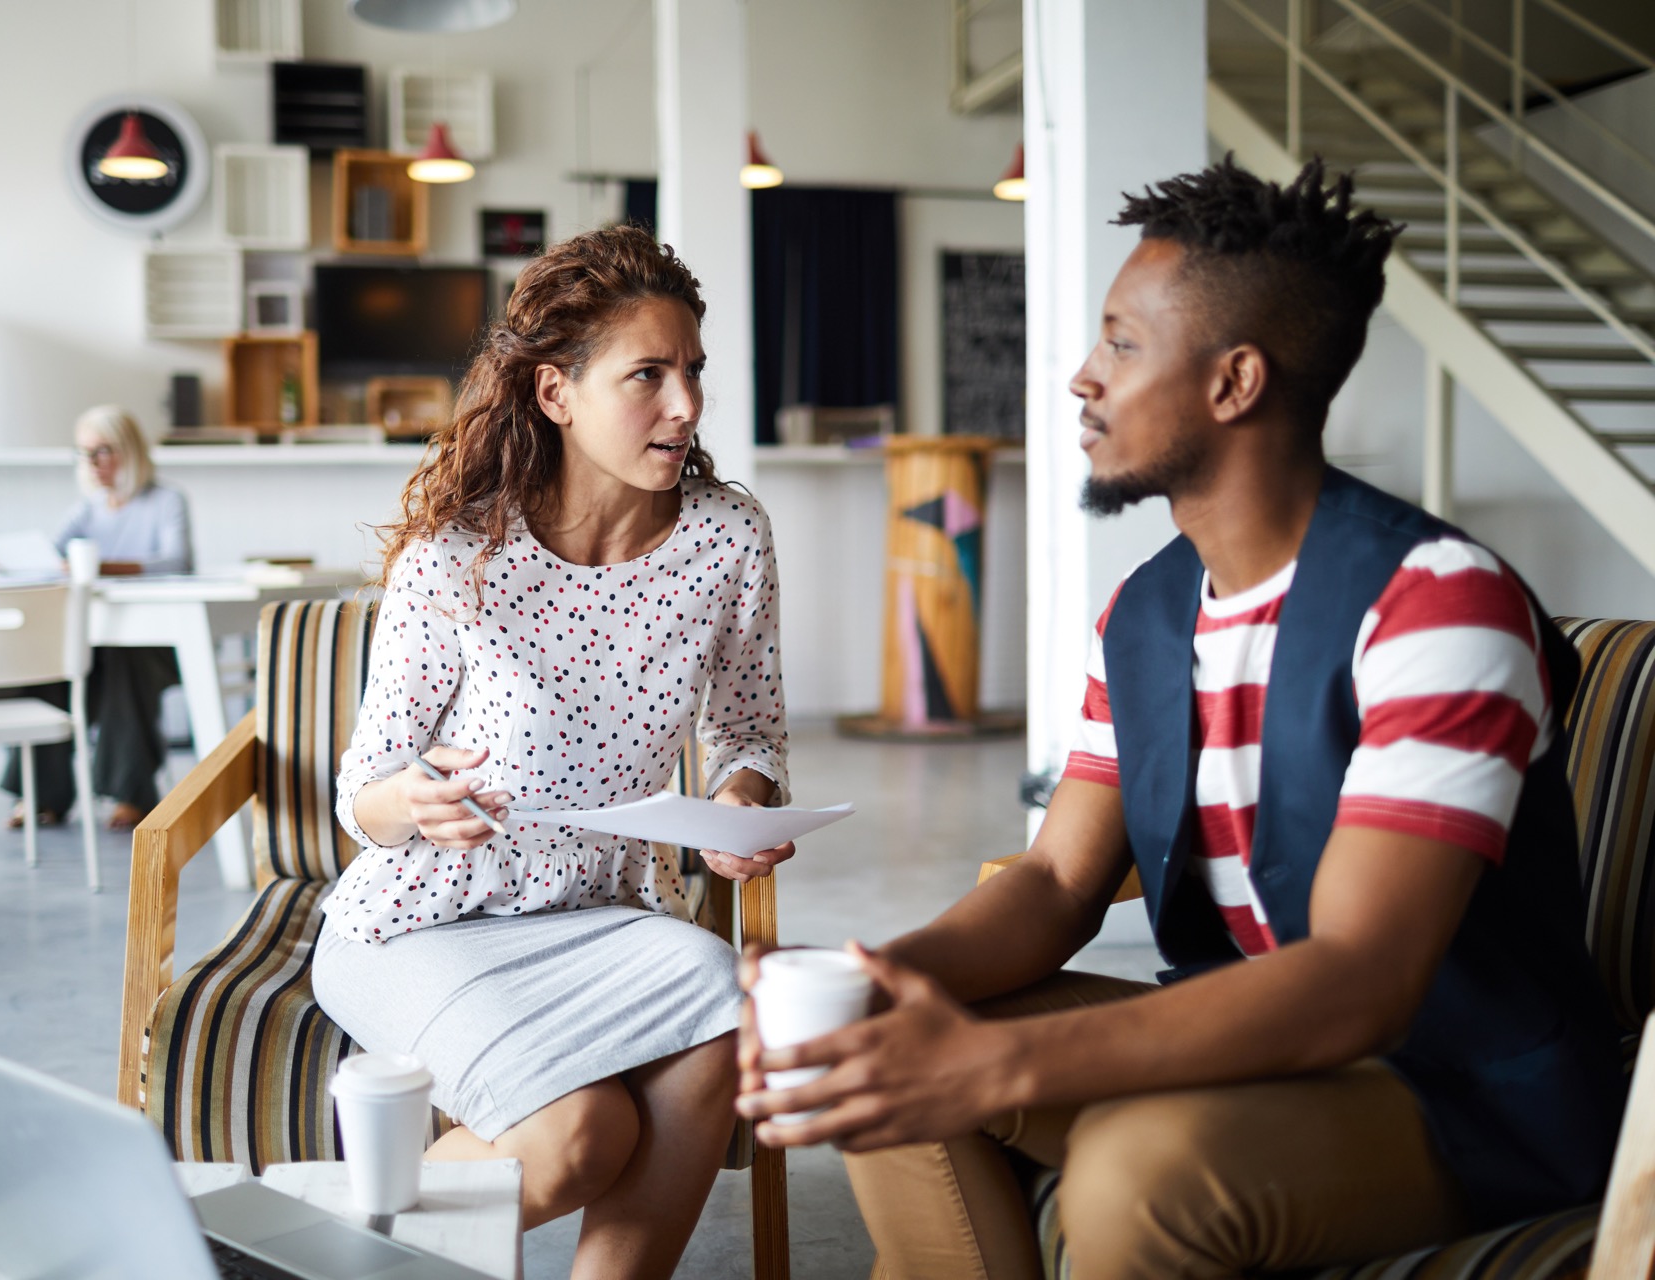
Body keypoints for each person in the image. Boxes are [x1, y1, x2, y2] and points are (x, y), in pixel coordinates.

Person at [735, 158, 1627, 1280]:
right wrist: (881, 977)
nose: (1079, 378)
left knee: (1130, 1170)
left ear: (1234, 381)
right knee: (866, 1055)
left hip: (1457, 1091)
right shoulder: (1147, 612)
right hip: (1246, 1040)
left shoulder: (1437, 602)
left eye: (1119, 342)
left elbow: (1362, 973)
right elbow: (1060, 881)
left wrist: (995, 1066)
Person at [312, 224, 792, 1278]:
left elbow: (749, 729)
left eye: (694, 372)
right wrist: (413, 798)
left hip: (600, 917)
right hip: (420, 922)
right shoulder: (457, 558)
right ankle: (332, 1251)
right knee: (583, 1138)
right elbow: (365, 789)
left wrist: (743, 799)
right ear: (555, 394)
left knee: (727, 992)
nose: (688, 406)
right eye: (649, 376)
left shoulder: (729, 537)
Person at [0, 405, 191, 830]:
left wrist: (102, 565)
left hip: (152, 645)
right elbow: (51, 557)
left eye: (103, 451)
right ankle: (39, 794)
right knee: (47, 664)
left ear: (129, 451)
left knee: (126, 662)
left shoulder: (166, 502)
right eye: (85, 453)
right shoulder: (86, 510)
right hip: (96, 642)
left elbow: (176, 561)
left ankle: (131, 792)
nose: (93, 463)